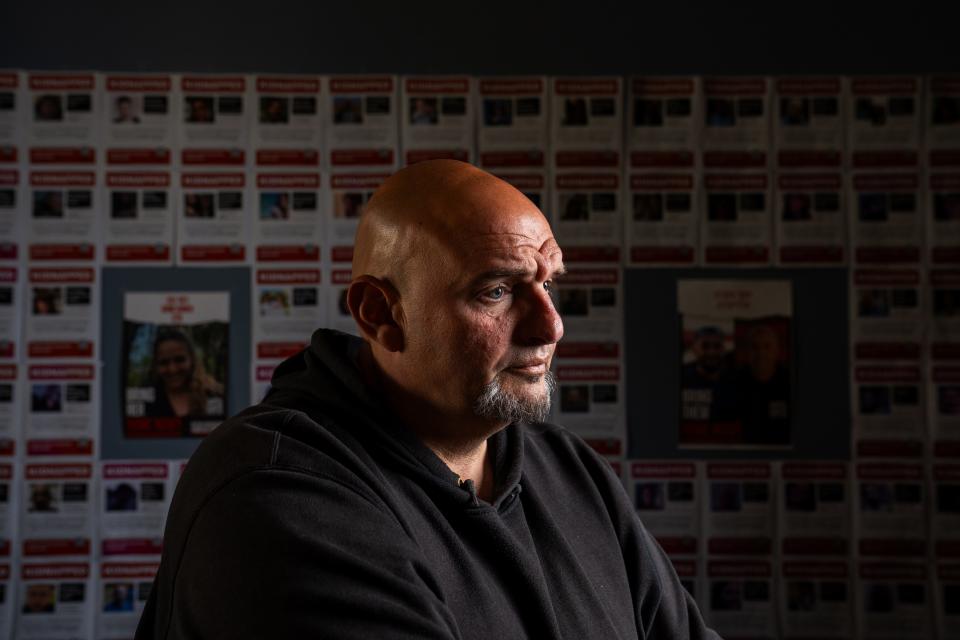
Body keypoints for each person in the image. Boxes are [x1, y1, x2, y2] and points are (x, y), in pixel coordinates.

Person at [136, 160, 718, 639]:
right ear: (382, 314)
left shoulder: (570, 471)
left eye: (548, 284)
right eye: (496, 291)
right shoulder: (276, 492)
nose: (551, 327)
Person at [142, 329, 223, 419]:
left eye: (179, 360)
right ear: (155, 365)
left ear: (192, 360)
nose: (172, 370)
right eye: (163, 362)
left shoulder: (214, 394)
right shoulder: (145, 399)